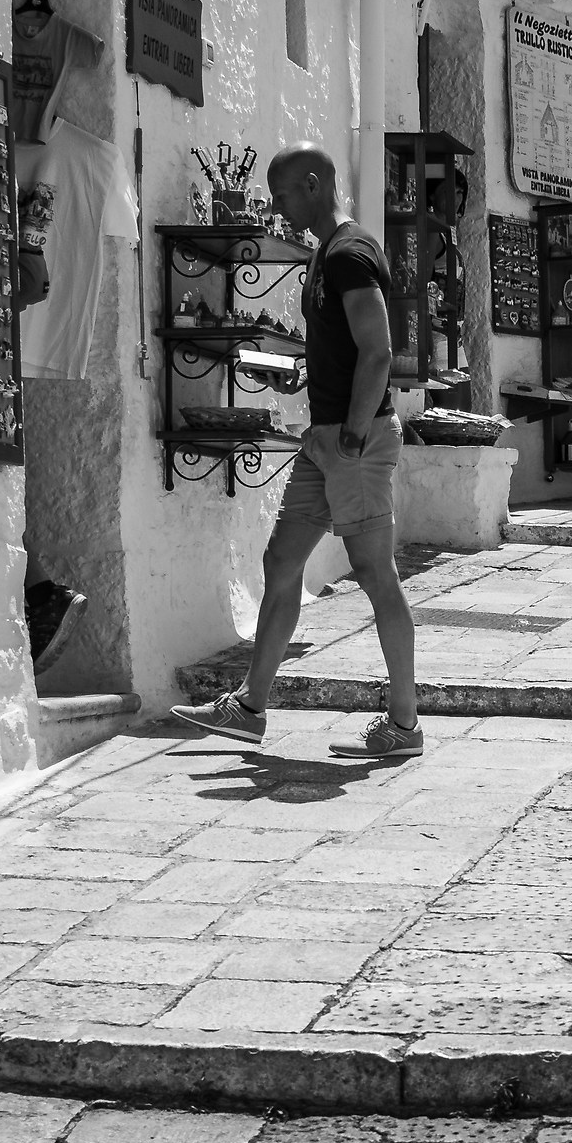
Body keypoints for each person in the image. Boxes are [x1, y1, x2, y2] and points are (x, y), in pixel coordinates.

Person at [170, 143, 423, 757]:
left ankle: (405, 725)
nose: (276, 205)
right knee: (281, 562)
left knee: (374, 575)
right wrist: (296, 374)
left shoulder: (348, 254)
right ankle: (251, 709)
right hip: (327, 441)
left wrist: (354, 436)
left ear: (312, 185)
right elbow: (341, 352)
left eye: (281, 193)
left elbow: (379, 351)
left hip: (352, 442)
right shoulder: (324, 257)